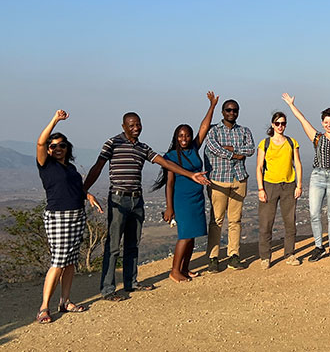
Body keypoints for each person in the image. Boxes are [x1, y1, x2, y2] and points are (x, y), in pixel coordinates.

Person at [83, 112, 210, 301]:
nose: (136, 128)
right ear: (124, 126)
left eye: (138, 124)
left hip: (137, 200)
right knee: (114, 246)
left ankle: (131, 283)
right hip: (118, 200)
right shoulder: (112, 143)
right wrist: (83, 190)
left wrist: (191, 175)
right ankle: (108, 290)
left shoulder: (143, 148)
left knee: (133, 244)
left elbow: (165, 163)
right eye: (132, 125)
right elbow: (97, 167)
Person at [35, 110, 103, 323]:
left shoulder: (71, 168)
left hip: (76, 215)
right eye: (53, 145)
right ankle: (44, 307)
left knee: (71, 261)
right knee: (58, 261)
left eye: (62, 145)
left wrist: (88, 194)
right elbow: (39, 143)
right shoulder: (46, 165)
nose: (57, 148)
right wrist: (55, 120)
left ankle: (65, 301)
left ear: (67, 148)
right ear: (49, 149)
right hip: (58, 216)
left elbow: (76, 188)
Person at [151, 92, 219, 282]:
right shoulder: (171, 156)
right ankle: (174, 271)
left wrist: (212, 106)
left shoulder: (194, 148)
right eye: (181, 135)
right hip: (182, 199)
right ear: (176, 137)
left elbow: (204, 127)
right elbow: (169, 183)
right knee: (185, 235)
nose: (184, 138)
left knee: (193, 235)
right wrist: (169, 207)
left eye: (187, 135)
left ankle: (185, 268)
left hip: (196, 197)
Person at [282, 94, 330, 262]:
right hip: (318, 176)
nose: (328, 125)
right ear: (322, 123)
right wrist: (291, 105)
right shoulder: (317, 138)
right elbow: (302, 120)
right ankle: (318, 246)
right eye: (326, 122)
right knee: (314, 213)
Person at [204, 99, 256, 272]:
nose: (232, 113)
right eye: (228, 110)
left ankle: (234, 255)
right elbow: (213, 148)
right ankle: (213, 257)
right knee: (216, 220)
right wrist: (235, 153)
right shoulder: (213, 131)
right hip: (218, 179)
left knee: (235, 220)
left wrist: (228, 149)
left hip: (238, 179)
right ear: (222, 111)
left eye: (235, 110)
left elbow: (250, 150)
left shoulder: (244, 131)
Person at [256, 111, 303, 269]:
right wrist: (260, 188)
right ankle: (265, 257)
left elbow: (297, 164)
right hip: (269, 185)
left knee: (290, 222)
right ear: (272, 124)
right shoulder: (265, 143)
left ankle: (289, 254)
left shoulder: (292, 142)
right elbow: (259, 167)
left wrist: (299, 185)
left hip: (288, 185)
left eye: (283, 123)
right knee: (266, 223)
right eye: (277, 123)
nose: (280, 126)